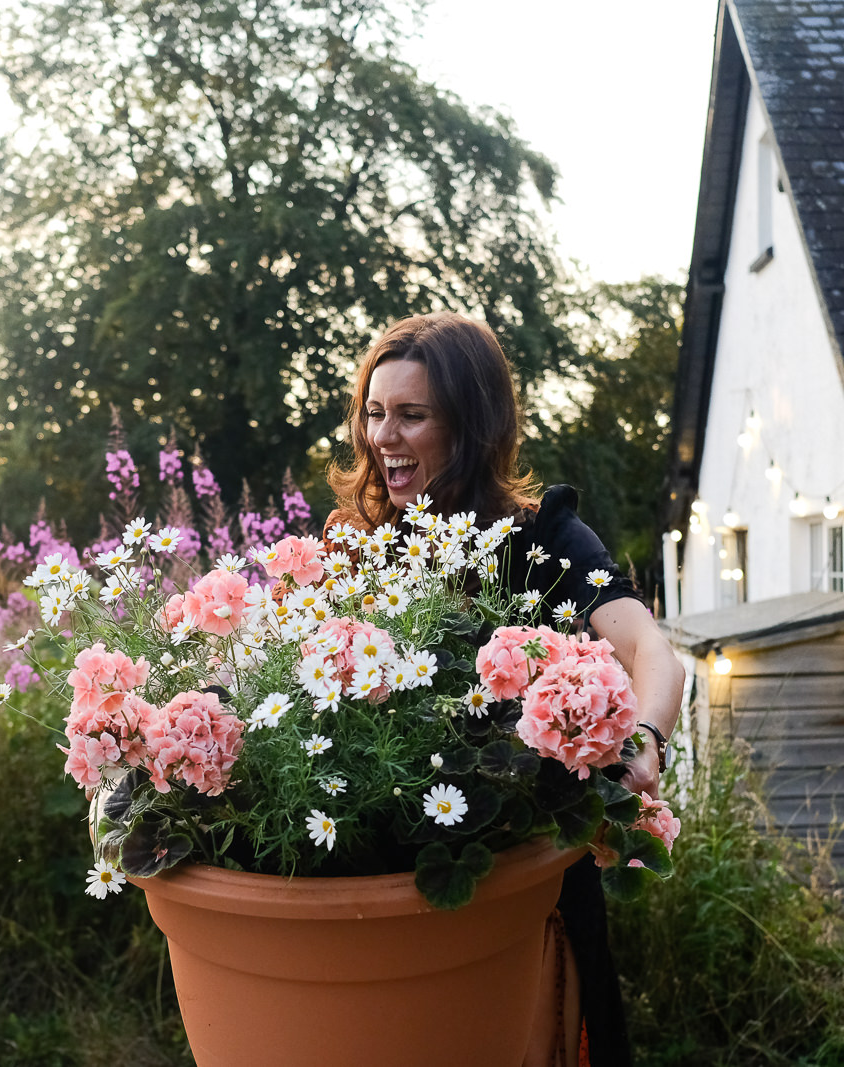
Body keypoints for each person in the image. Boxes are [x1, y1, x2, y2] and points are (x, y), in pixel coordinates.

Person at [324, 312, 686, 1067]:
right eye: (375, 411)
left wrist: (644, 740)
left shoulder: (542, 539)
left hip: (524, 899)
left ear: (471, 425)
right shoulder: (355, 545)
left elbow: (653, 651)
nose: (383, 436)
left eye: (412, 415)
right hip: (387, 887)